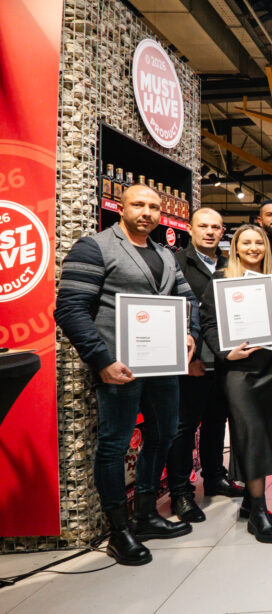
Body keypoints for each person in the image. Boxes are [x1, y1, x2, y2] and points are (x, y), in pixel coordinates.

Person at [55, 183, 199, 566]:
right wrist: (100, 359)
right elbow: (70, 308)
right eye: (138, 204)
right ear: (122, 207)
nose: (147, 212)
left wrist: (189, 333)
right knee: (115, 445)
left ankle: (146, 515)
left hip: (163, 364)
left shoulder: (165, 254)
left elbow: (187, 300)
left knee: (163, 434)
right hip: (120, 366)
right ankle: (119, 532)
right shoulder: (95, 247)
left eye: (153, 206)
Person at [199, 224, 272, 543]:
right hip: (238, 370)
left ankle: (249, 503)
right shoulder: (221, 280)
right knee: (251, 433)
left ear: (266, 247)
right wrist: (225, 352)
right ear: (236, 248)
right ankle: (259, 512)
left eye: (259, 243)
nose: (254, 248)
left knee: (263, 435)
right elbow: (207, 322)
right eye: (247, 243)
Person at [166, 208, 242, 526]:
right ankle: (181, 492)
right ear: (190, 229)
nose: (209, 232)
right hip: (193, 361)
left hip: (225, 359)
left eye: (215, 227)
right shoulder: (176, 262)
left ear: (222, 231)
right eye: (203, 226)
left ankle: (214, 477)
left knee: (216, 421)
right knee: (184, 428)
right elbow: (171, 310)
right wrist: (185, 359)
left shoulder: (231, 265)